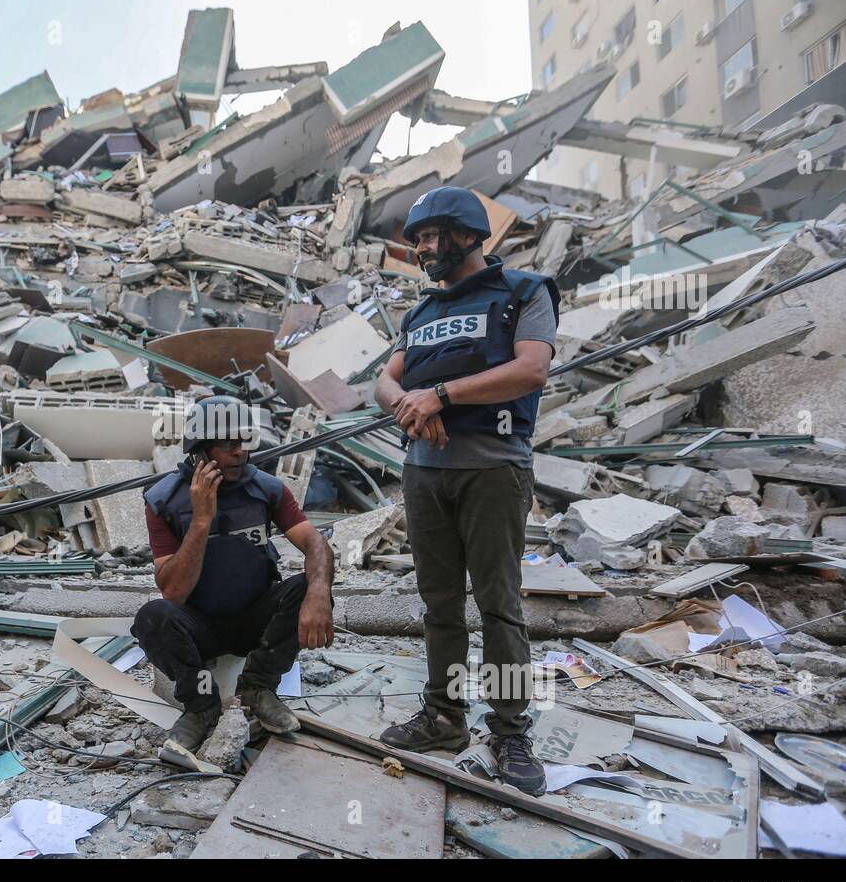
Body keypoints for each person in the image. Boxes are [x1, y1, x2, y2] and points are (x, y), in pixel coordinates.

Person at [372, 186, 559, 795]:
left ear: (471, 235)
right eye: (419, 239)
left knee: (499, 606)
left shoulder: (523, 292)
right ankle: (445, 717)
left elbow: (532, 369)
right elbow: (383, 379)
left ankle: (509, 732)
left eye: (435, 236)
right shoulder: (419, 314)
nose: (426, 248)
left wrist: (443, 396)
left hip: (492, 470)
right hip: (424, 474)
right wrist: (407, 403)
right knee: (440, 605)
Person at [133, 395, 335, 752]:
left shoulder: (265, 489)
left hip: (253, 618)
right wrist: (200, 520)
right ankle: (201, 708)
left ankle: (257, 688)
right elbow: (173, 593)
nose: (241, 451)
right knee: (153, 617)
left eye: (245, 441)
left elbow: (315, 543)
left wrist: (319, 592)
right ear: (200, 450)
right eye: (229, 444)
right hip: (200, 626)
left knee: (308, 585)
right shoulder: (163, 501)